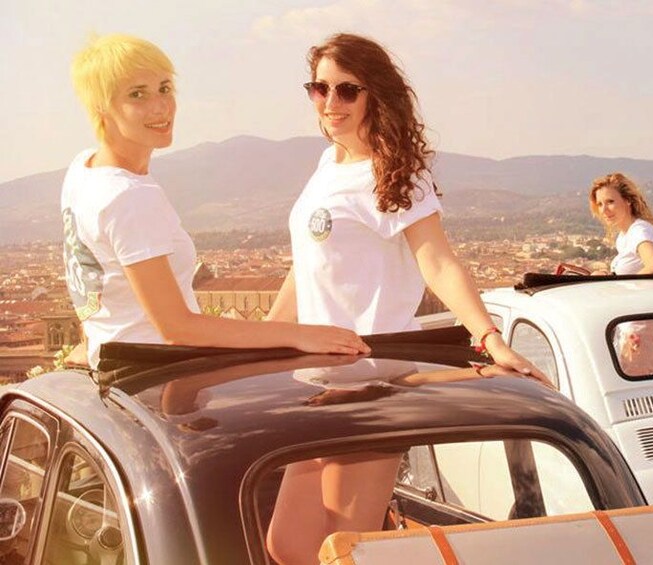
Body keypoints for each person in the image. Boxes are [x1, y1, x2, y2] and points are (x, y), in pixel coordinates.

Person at [264, 33, 547, 564]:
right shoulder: (328, 166)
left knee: (337, 550)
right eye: (319, 88)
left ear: (376, 95)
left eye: (347, 90)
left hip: (369, 381)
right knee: (289, 544)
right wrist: (263, 344)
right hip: (314, 379)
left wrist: (489, 338)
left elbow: (437, 262)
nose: (330, 103)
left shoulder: (396, 175)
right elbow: (306, 272)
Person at [62, 33, 369, 370]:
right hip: (154, 381)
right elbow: (177, 328)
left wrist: (94, 340)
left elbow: (97, 276)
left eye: (164, 88)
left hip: (113, 370)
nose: (160, 106)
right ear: (101, 108)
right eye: (137, 95)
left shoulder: (84, 170)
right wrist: (299, 334)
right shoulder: (129, 196)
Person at [589, 173, 653, 274]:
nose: (604, 210)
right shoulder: (623, 236)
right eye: (600, 204)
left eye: (610, 202)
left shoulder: (640, 230)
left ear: (628, 200)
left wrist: (621, 287)